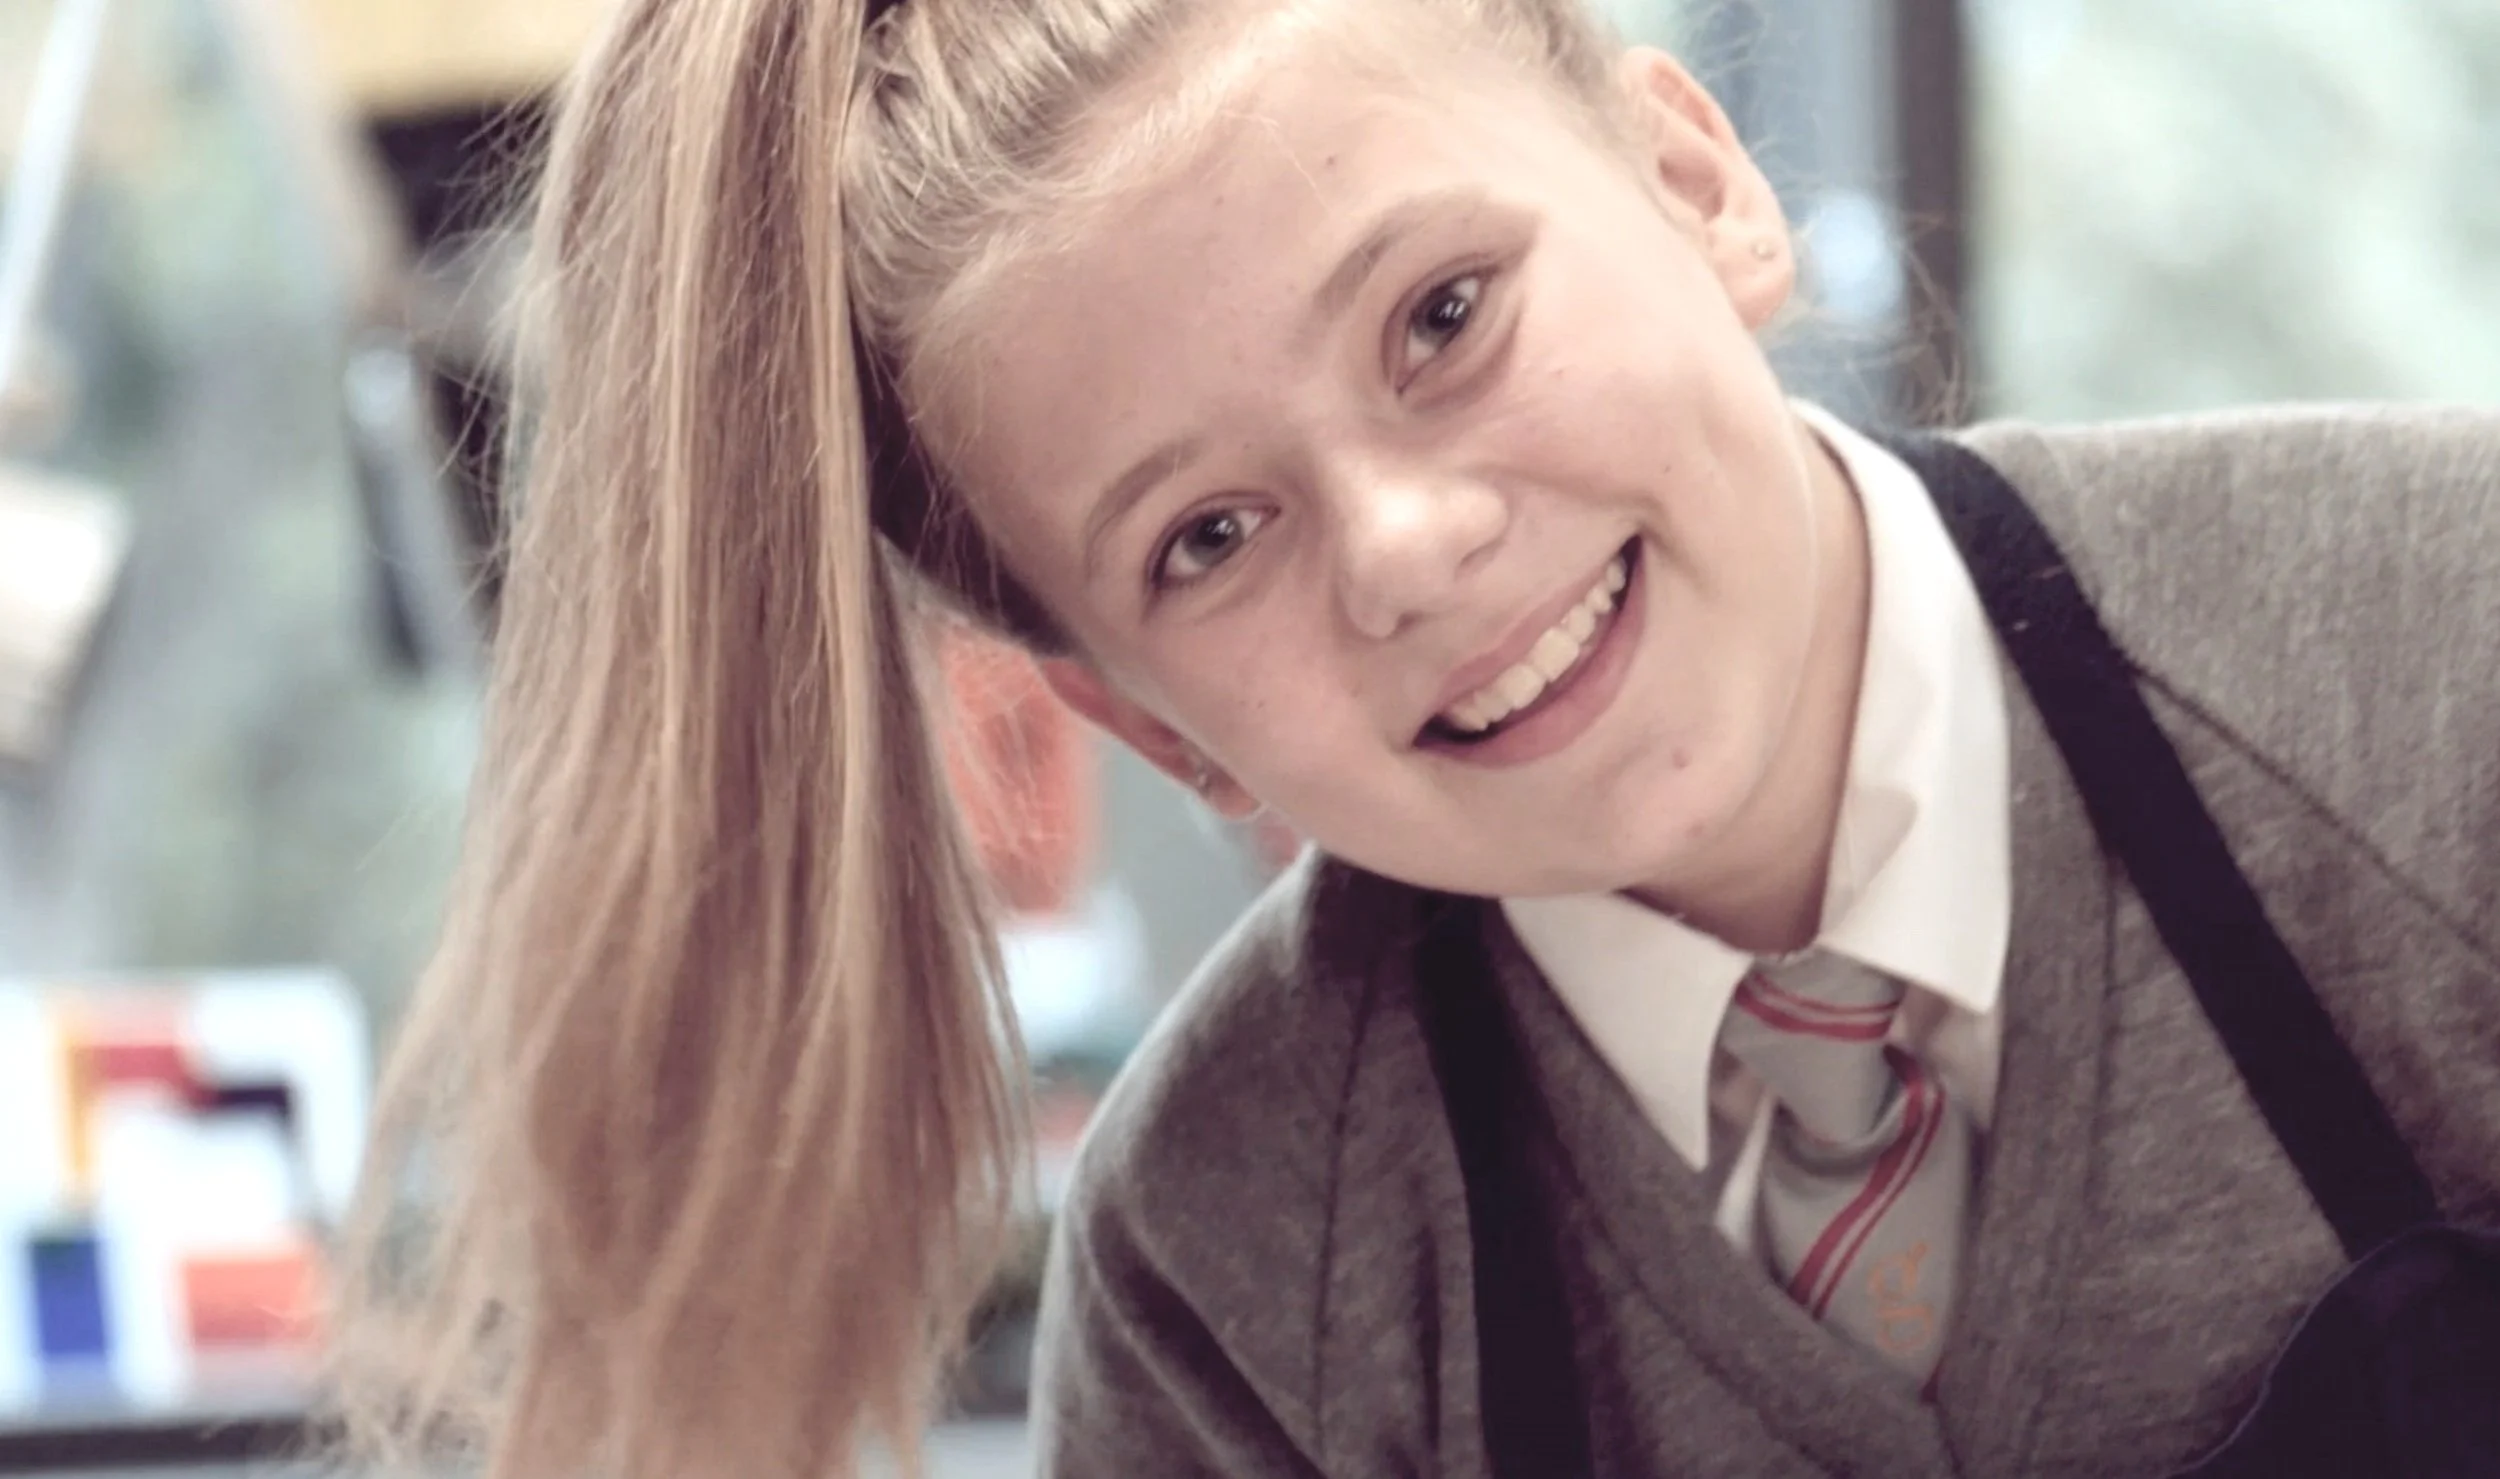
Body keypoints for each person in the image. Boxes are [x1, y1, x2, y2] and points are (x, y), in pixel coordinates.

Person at [325, 0, 2500, 1475]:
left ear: (1695, 179)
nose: (1404, 546)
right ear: (1150, 725)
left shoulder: (2444, 656)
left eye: (1442, 317)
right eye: (1203, 539)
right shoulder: (1230, 1270)